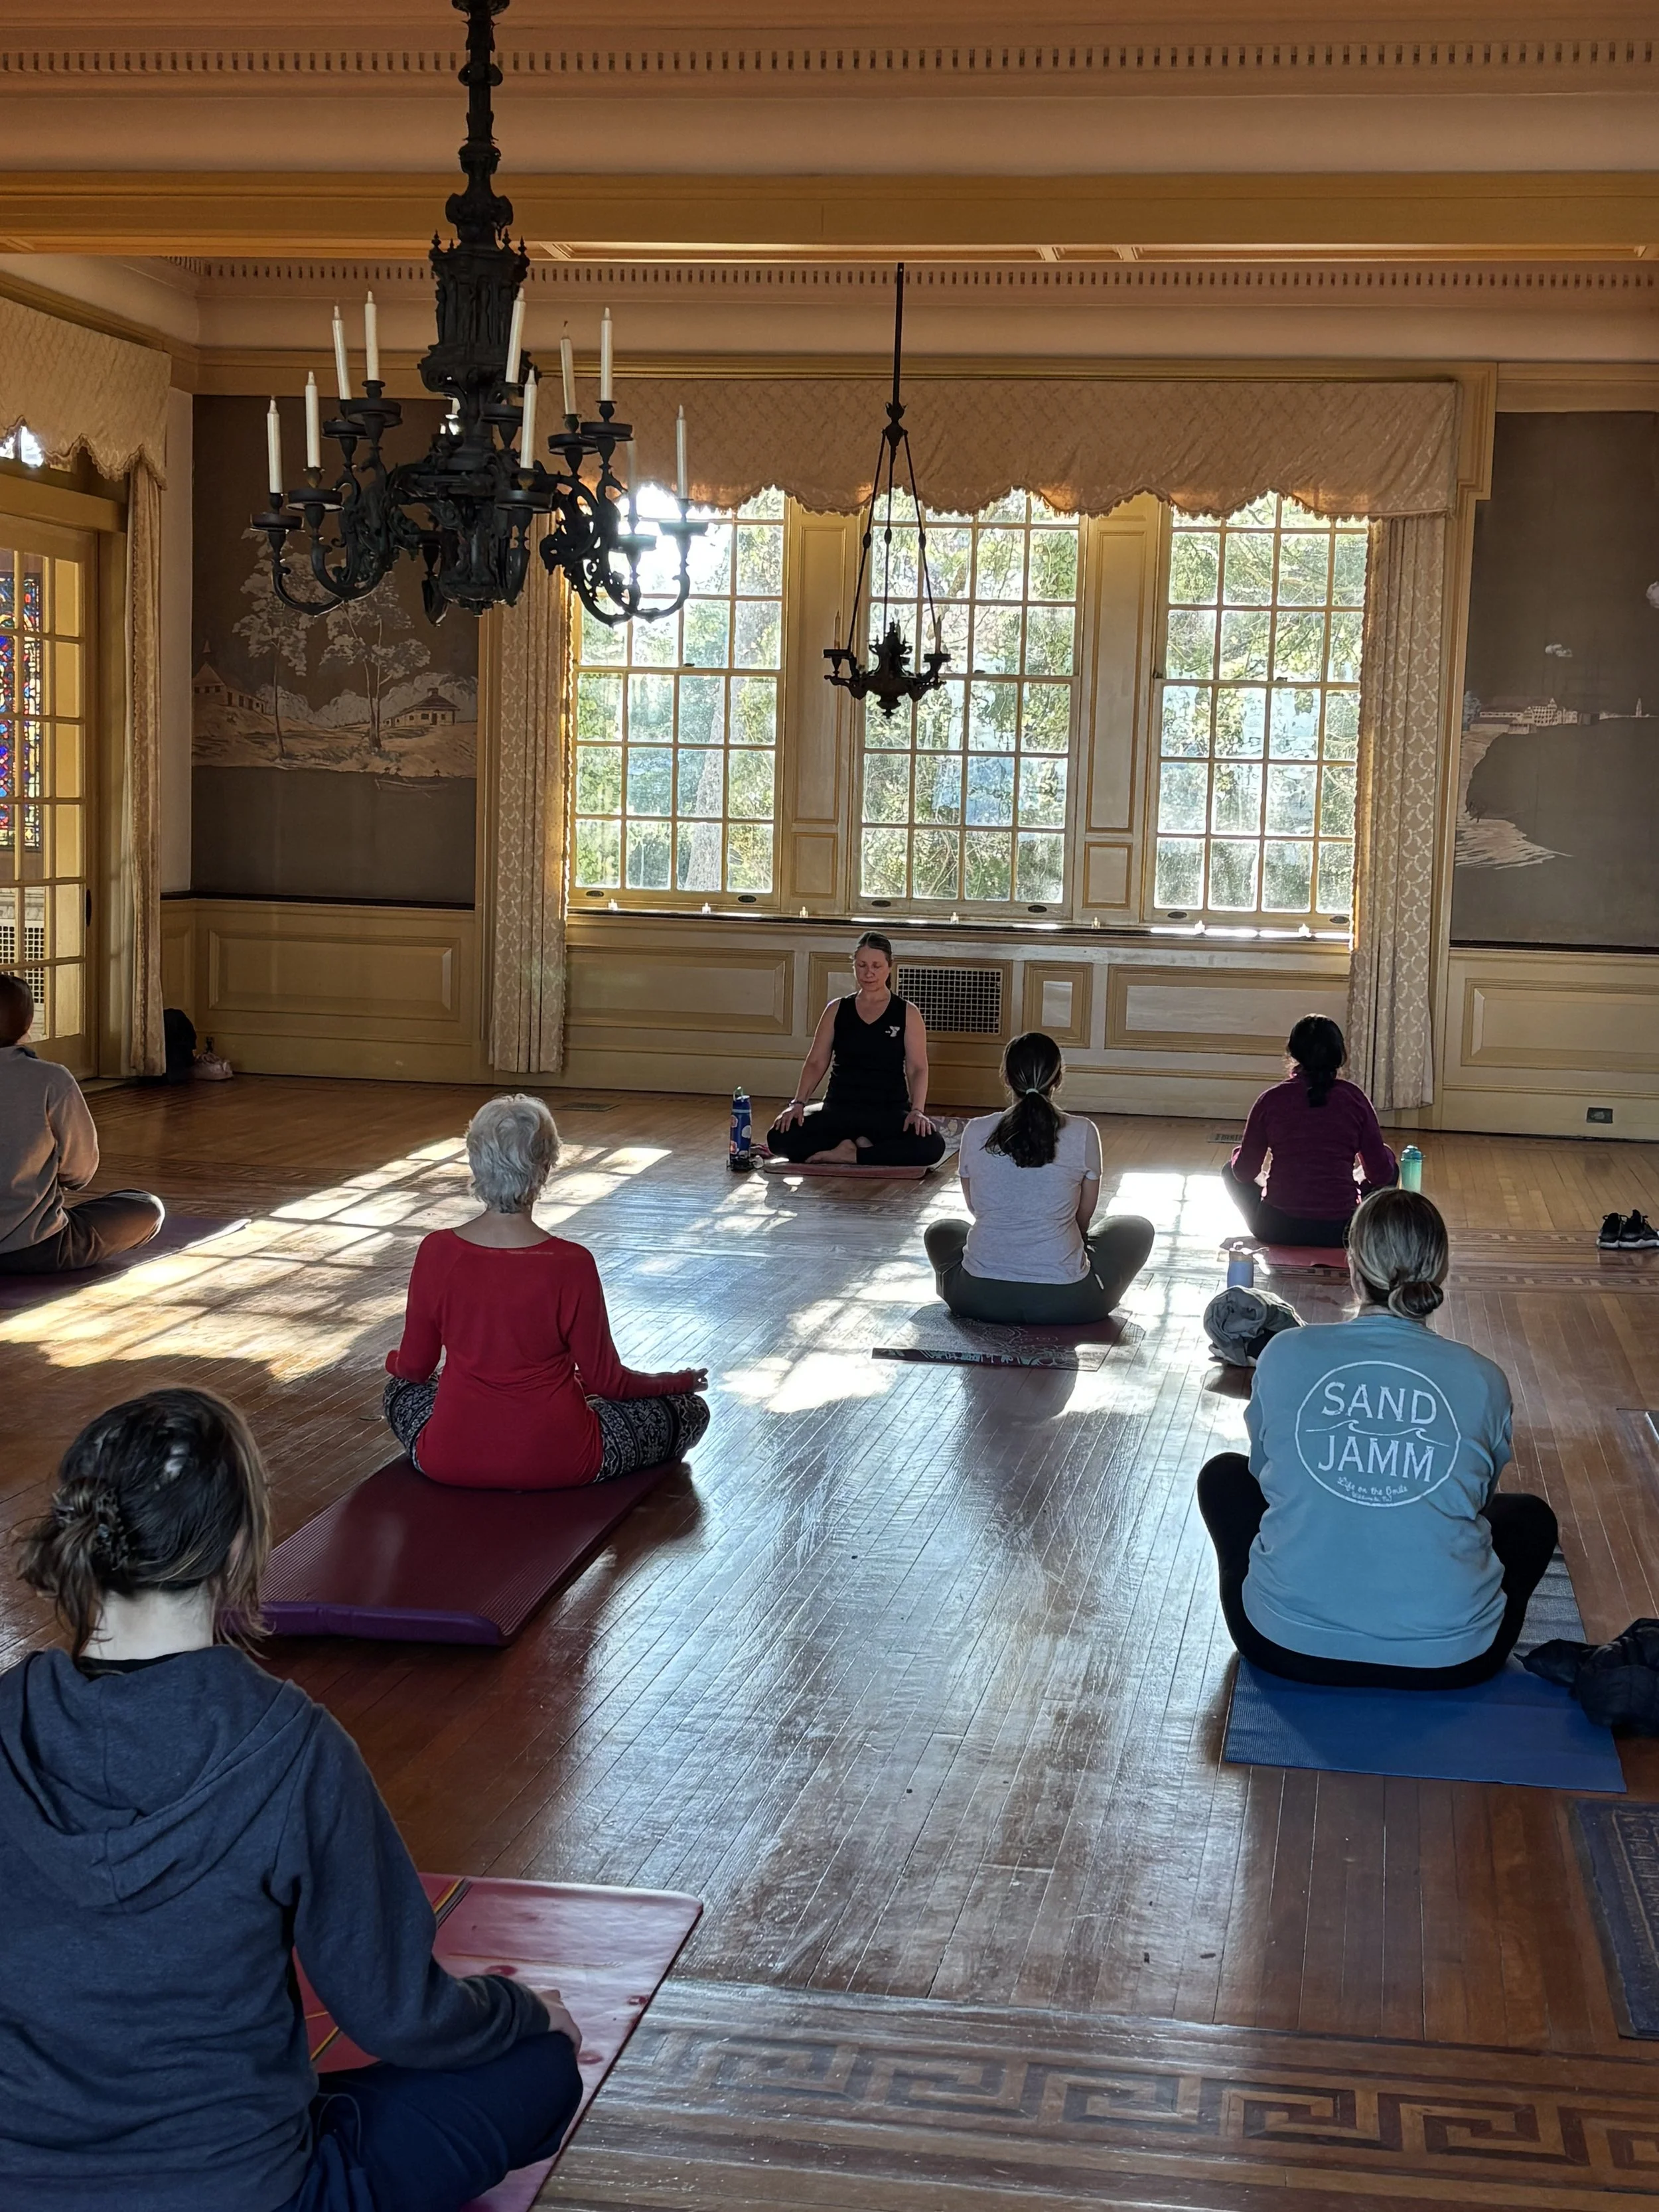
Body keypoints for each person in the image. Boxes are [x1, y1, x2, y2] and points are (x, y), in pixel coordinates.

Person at [0, 1387, 585, 2212]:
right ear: (240, 1545)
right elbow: (396, 2016)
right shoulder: (293, 1747)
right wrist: (520, 2009)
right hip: (246, 2192)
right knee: (538, 2068)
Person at [1196, 1188, 1558, 1689]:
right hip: (1454, 1662)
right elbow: (1479, 1496)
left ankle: (1303, 1597)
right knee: (1531, 1518)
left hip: (1282, 1646)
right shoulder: (1483, 1378)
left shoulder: (1284, 1352)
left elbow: (1263, 1476)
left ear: (1352, 1262)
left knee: (1224, 1477)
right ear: (1441, 1269)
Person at [385, 1092, 709, 1487]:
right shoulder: (572, 1263)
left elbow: (414, 1369)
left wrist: (393, 1361)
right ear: (546, 1167)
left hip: (449, 1458)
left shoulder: (436, 1250)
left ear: (475, 1161)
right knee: (690, 1410)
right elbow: (612, 1383)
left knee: (398, 1389)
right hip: (564, 1460)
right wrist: (680, 1381)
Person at [923, 1031, 1154, 1324]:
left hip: (975, 1297)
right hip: (1069, 1301)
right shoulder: (1083, 1131)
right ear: (1058, 1079)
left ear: (1006, 1078)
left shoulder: (976, 1130)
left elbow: (975, 1207)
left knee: (941, 1231)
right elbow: (1082, 1218)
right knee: (1135, 1228)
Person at [0, 972, 163, 1274]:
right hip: (38, 1247)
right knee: (146, 1207)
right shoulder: (50, 1079)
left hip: (34, 1236)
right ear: (26, 1027)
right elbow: (79, 1170)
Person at [765, 932, 946, 1169]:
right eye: (861, 965)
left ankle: (850, 1155)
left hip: (888, 1112)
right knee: (778, 1137)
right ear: (854, 966)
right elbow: (816, 1061)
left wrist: (917, 1111)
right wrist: (798, 1103)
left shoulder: (907, 1012)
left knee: (932, 1146)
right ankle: (863, 1149)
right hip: (839, 1109)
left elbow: (917, 1068)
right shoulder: (837, 1009)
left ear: (889, 968)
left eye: (876, 966)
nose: (868, 972)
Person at [1222, 1015, 1398, 1248]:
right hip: (1343, 1231)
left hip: (1276, 1228)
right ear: (1339, 1055)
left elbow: (1243, 1173)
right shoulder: (1354, 1100)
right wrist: (1383, 1156)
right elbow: (1382, 1175)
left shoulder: (1271, 1100)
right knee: (1392, 1168)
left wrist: (1238, 1155)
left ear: (1293, 1053)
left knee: (1228, 1170)